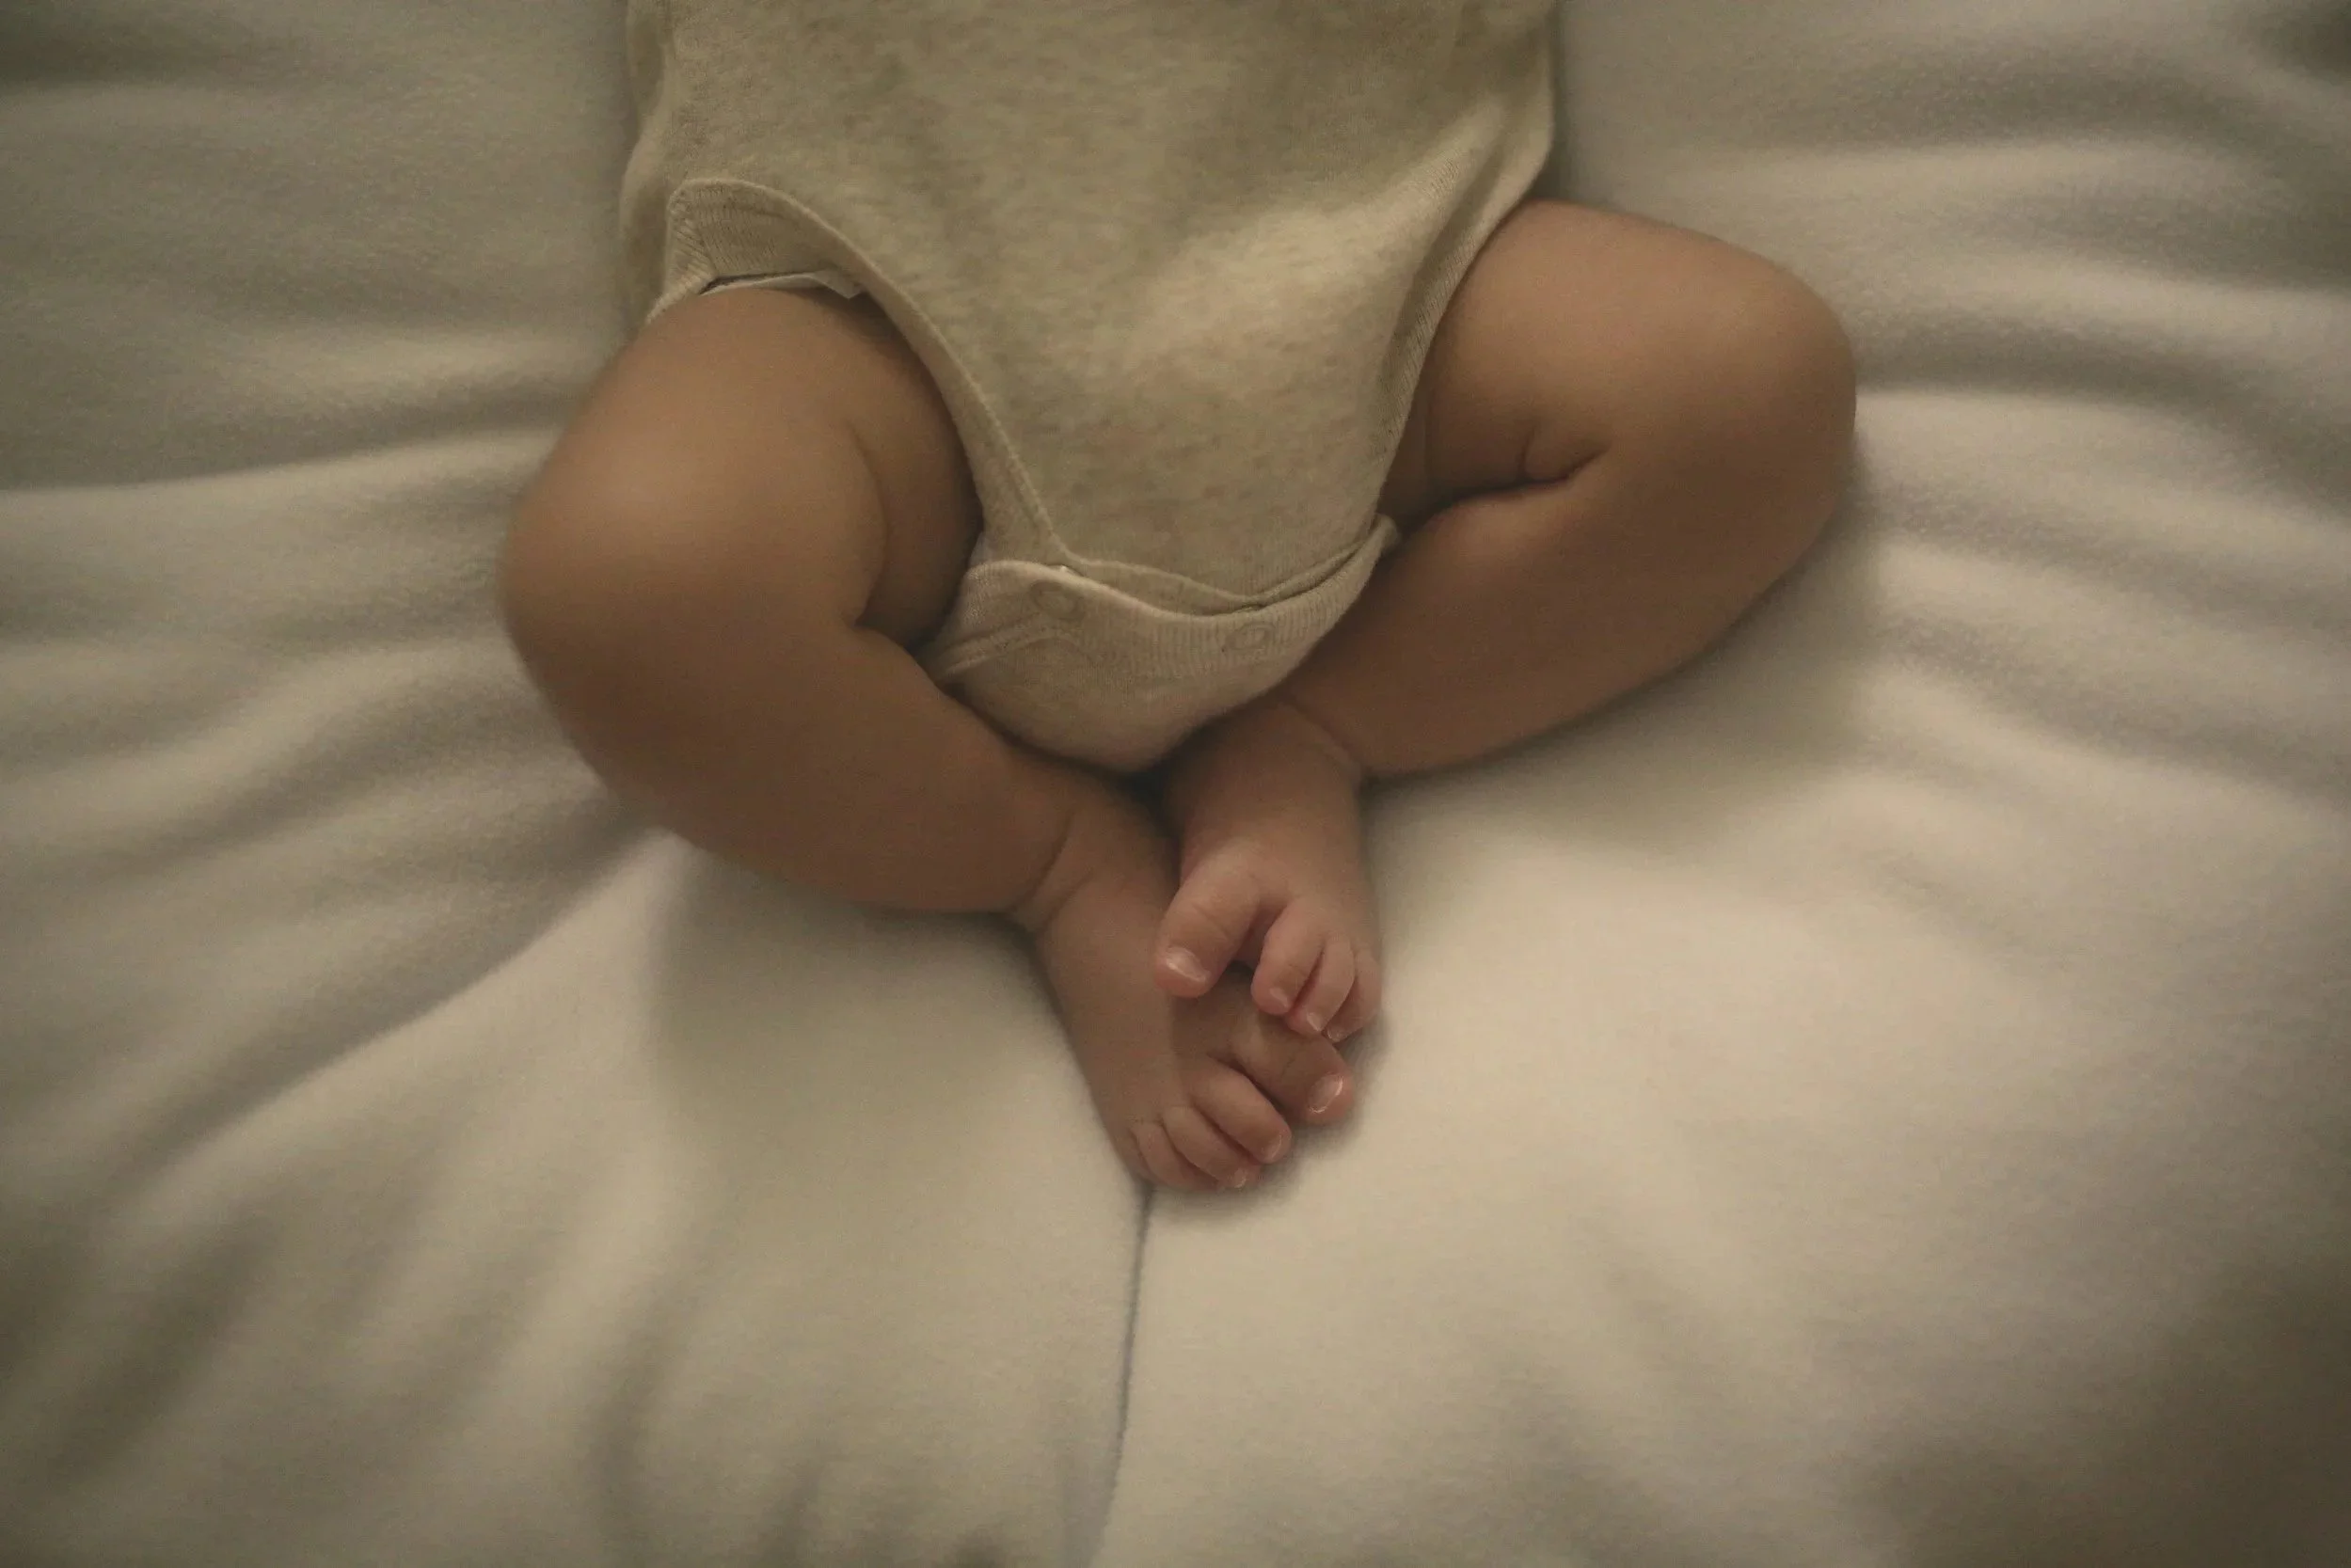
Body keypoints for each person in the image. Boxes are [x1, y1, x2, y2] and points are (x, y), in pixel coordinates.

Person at [500, 1, 1857, 1192]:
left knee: (1748, 384)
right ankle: (1054, 857)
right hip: (874, 316)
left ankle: (1310, 733)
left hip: (1375, 268)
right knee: (631, 582)